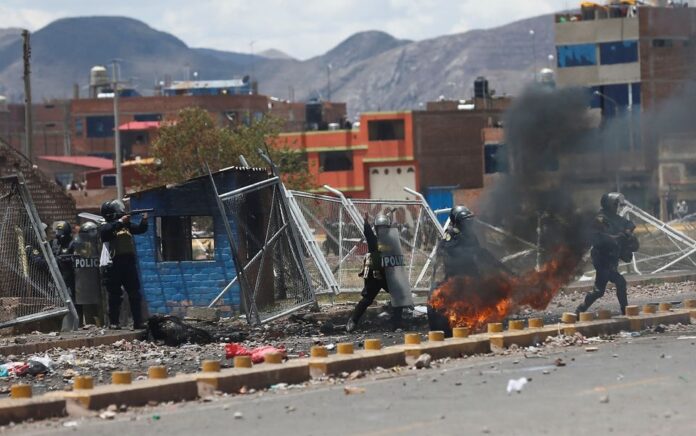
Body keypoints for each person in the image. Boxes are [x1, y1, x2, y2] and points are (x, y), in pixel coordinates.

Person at [346, 211, 413, 332]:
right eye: (380, 228)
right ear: (376, 229)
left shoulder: (392, 242)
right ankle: (353, 321)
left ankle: (397, 323)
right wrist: (366, 222)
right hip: (375, 276)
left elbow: (395, 258)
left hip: (388, 276)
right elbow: (368, 233)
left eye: (384, 228)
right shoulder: (373, 240)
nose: (382, 230)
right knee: (367, 300)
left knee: (399, 295)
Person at [576, 193, 638, 316]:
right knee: (620, 282)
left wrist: (627, 232)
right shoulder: (600, 218)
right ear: (608, 205)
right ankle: (625, 310)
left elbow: (630, 224)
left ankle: (581, 309)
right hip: (602, 258)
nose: (616, 207)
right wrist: (615, 237)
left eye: (617, 204)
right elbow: (597, 236)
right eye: (614, 204)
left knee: (599, 291)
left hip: (612, 257)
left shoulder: (616, 218)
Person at [99, 199, 148, 329]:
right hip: (113, 263)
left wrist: (144, 220)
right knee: (115, 295)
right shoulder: (105, 225)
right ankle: (114, 322)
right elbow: (105, 232)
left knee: (134, 293)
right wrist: (120, 222)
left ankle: (138, 322)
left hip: (128, 263)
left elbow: (140, 229)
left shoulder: (126, 225)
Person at [72, 221, 104, 326]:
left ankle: (101, 325)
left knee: (100, 310)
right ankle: (91, 325)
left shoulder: (100, 244)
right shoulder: (78, 244)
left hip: (97, 283)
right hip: (84, 285)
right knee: (88, 311)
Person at [50, 221, 75, 303]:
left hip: (70, 278)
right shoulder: (54, 243)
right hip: (57, 276)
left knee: (72, 300)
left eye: (60, 232)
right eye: (57, 232)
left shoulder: (72, 244)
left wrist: (64, 259)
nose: (58, 235)